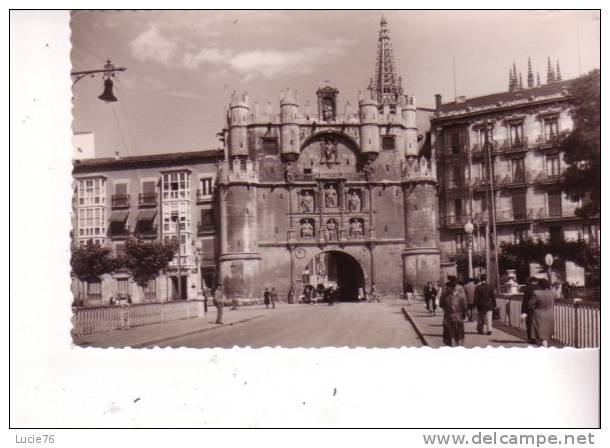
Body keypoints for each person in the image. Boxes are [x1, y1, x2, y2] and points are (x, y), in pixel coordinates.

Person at [439, 278, 467, 347]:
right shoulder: (461, 296)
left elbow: (441, 305)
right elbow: (464, 308)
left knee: (449, 337)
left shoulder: (445, 296)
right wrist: (463, 316)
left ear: (450, 287)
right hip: (458, 318)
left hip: (448, 318)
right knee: (458, 337)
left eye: (448, 287)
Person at [528, 278, 556, 347]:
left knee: (540, 334)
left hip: (539, 315)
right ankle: (544, 348)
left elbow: (530, 304)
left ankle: (544, 349)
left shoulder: (536, 293)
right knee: (546, 334)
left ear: (540, 285)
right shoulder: (552, 293)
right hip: (550, 314)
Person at [521, 277, 539, 343]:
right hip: (538, 308)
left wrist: (523, 311)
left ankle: (531, 338)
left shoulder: (528, 289)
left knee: (529, 324)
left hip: (530, 309)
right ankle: (537, 337)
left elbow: (525, 301)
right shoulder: (539, 288)